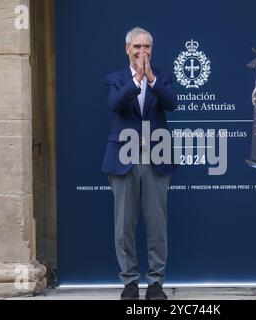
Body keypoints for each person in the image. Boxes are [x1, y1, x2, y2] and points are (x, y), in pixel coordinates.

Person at [102, 27, 177, 300]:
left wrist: (152, 79)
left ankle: (155, 283)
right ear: (127, 49)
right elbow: (116, 104)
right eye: (137, 47)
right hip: (124, 160)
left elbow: (172, 103)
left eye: (147, 47)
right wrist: (137, 80)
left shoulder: (162, 77)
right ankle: (130, 282)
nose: (142, 52)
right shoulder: (115, 79)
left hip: (156, 160)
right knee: (124, 225)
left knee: (157, 224)